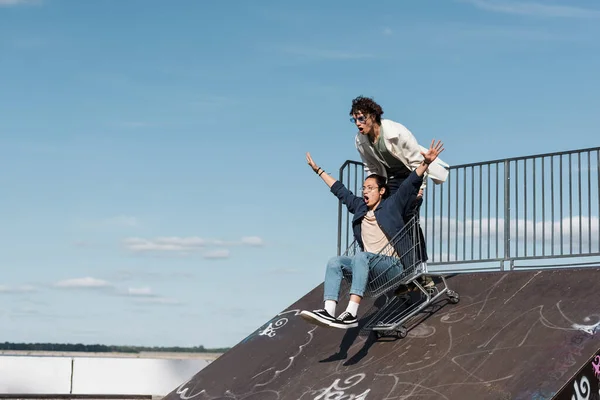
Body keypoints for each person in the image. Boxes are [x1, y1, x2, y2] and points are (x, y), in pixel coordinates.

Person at [300, 139, 445, 329]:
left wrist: (425, 163)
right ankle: (329, 311)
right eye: (364, 188)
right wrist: (318, 171)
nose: (365, 192)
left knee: (361, 257)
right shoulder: (360, 207)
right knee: (335, 262)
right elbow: (340, 191)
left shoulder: (391, 206)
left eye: (370, 188)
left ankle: (351, 313)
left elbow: (409, 184)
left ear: (382, 191)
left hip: (394, 268)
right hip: (371, 271)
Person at [349, 96, 449, 286]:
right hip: (390, 180)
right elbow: (371, 167)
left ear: (372, 116)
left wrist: (419, 188)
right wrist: (376, 189)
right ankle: (400, 269)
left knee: (410, 222)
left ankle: (420, 270)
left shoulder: (398, 132)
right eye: (354, 120)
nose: (358, 124)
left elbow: (416, 162)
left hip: (411, 176)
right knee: (390, 220)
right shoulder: (360, 140)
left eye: (361, 118)